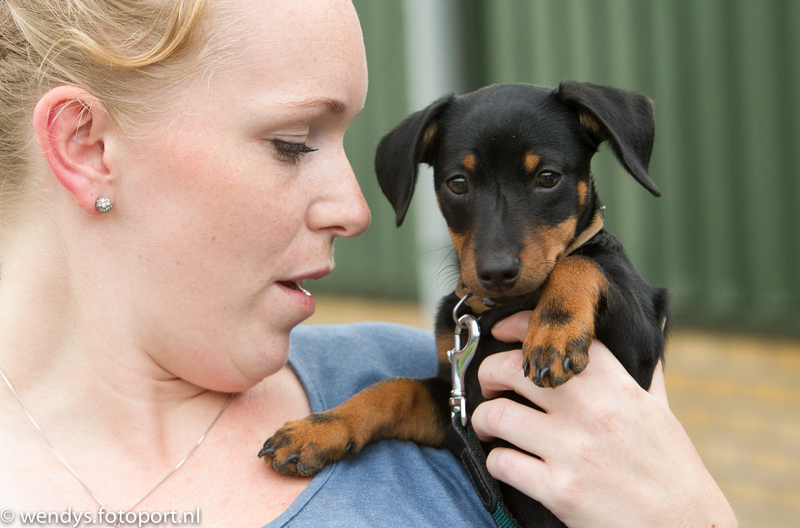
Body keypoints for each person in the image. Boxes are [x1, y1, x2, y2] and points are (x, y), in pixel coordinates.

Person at [0, 0, 737, 527]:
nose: (354, 210)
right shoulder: (433, 351)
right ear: (87, 146)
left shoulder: (388, 356)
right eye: (292, 140)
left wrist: (694, 516)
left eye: (543, 181)